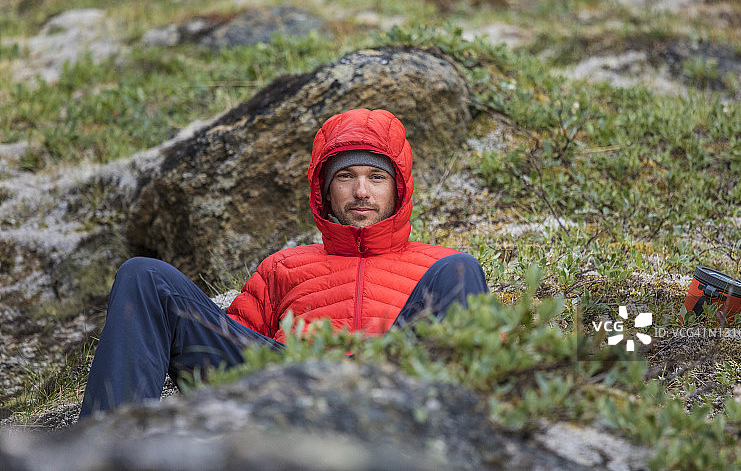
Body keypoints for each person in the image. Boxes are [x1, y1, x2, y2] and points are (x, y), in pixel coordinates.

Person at [80, 108, 488, 417]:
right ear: (324, 190)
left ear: (398, 190)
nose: (361, 191)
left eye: (376, 177)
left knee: (460, 269)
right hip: (285, 392)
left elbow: (489, 362)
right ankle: (104, 450)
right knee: (144, 275)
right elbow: (230, 349)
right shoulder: (282, 266)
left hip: (391, 390)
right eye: (345, 176)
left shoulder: (439, 269)